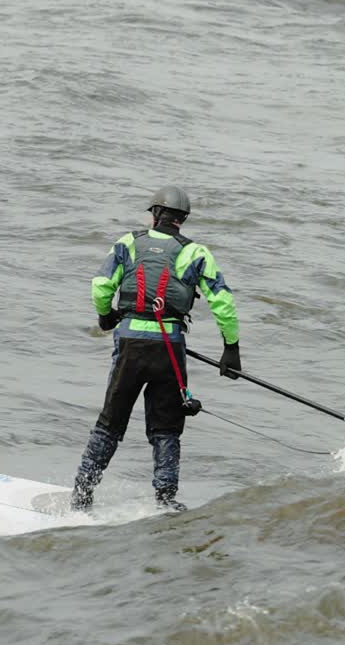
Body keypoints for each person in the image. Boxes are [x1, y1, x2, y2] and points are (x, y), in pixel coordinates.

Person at [71, 186, 241, 513]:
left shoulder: (128, 243)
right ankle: (165, 500)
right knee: (166, 427)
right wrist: (230, 348)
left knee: (110, 422)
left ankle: (81, 495)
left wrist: (106, 316)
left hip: (130, 345)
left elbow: (100, 285)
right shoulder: (197, 253)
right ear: (183, 219)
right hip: (169, 348)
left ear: (155, 214)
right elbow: (223, 301)